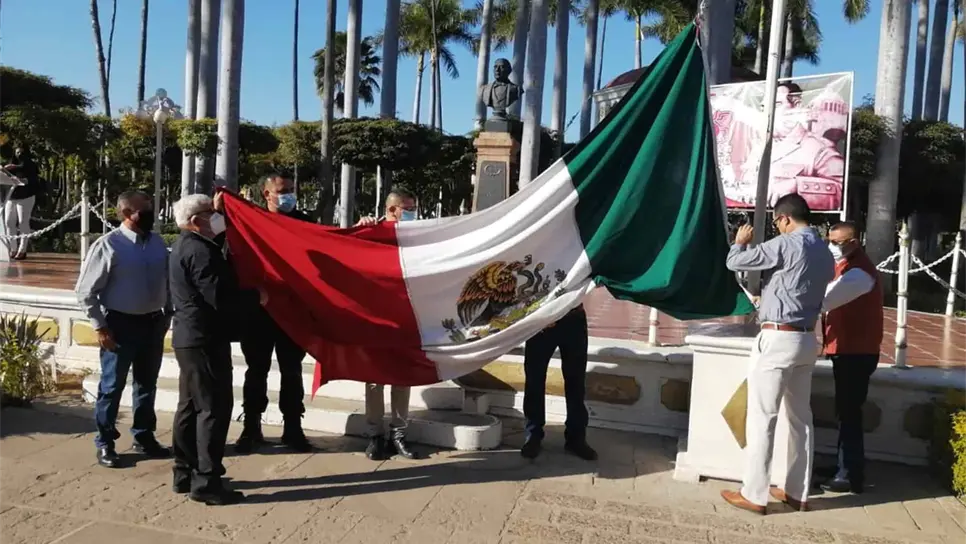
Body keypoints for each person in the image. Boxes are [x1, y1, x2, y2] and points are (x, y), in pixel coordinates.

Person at [720, 193, 835, 515]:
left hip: (778, 338)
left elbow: (736, 262)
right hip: (805, 338)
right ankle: (797, 491)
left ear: (784, 218)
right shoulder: (824, 251)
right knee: (802, 420)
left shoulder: (788, 244)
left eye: (776, 222)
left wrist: (740, 242)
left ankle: (755, 493)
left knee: (763, 417)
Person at [75, 190, 171, 468]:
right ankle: (105, 442)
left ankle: (144, 436)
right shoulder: (109, 245)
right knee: (112, 386)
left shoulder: (157, 243)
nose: (151, 212)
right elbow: (85, 293)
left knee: (146, 385)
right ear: (127, 213)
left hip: (153, 323)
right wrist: (100, 328)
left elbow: (168, 282)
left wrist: (168, 315)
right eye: (145, 209)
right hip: (119, 325)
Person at [169, 194, 245, 505]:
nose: (216, 218)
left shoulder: (185, 244)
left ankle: (184, 472)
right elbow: (219, 298)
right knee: (213, 408)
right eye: (211, 214)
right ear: (196, 220)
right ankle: (207, 482)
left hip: (189, 338)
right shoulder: (200, 252)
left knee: (189, 407)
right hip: (204, 339)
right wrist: (257, 298)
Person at [234, 173, 313, 453]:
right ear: (267, 194)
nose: (289, 194)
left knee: (292, 371)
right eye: (283, 190)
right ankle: (251, 427)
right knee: (257, 371)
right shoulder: (250, 222)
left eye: (291, 189)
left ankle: (293, 427)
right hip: (259, 313)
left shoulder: (306, 222)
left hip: (293, 311)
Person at [818, 222, 883, 495]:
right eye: (830, 241)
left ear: (855, 242)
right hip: (847, 349)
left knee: (849, 413)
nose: (833, 246)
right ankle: (843, 465)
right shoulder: (846, 266)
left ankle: (850, 473)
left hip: (856, 351)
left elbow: (825, 300)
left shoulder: (859, 273)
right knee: (845, 412)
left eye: (839, 242)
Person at [355, 190, 419, 460]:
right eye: (408, 208)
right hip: (375, 319)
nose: (413, 213)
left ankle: (399, 434)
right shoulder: (371, 231)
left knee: (402, 379)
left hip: (406, 317)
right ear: (392, 210)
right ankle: (375, 435)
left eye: (414, 207)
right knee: (374, 381)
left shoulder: (417, 236)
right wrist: (359, 230)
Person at [519, 306, 598, 461]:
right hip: (542, 320)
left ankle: (576, 438)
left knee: (576, 382)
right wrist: (543, 314)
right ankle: (533, 435)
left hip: (573, 318)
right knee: (535, 379)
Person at [3, 144, 41, 260]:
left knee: (23, 222)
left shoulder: (31, 165)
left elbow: (35, 180)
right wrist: (5, 171)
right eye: (17, 152)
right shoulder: (10, 165)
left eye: (21, 153)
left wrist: (24, 180)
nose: (19, 155)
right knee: (9, 222)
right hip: (12, 196)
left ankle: (22, 250)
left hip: (26, 196)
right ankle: (13, 249)